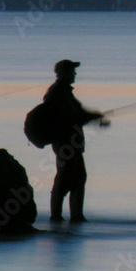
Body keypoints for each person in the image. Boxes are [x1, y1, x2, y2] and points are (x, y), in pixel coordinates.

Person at [43, 59, 107, 223]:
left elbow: (78, 113)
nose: (75, 74)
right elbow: (71, 117)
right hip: (65, 143)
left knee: (78, 178)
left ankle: (76, 217)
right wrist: (92, 116)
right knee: (65, 179)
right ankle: (57, 217)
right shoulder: (58, 93)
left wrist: (93, 116)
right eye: (72, 71)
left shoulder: (64, 92)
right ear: (64, 73)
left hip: (72, 143)